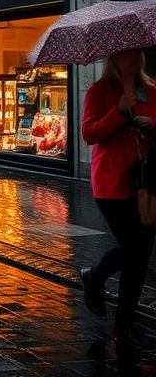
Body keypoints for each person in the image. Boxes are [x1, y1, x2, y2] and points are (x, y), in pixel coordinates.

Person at [79, 49, 156, 350]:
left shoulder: (150, 90)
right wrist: (119, 112)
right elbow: (89, 133)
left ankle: (124, 320)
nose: (134, 58)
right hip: (112, 185)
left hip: (146, 185)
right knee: (133, 248)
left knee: (141, 255)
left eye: (137, 52)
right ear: (113, 59)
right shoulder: (100, 91)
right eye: (126, 54)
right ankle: (95, 278)